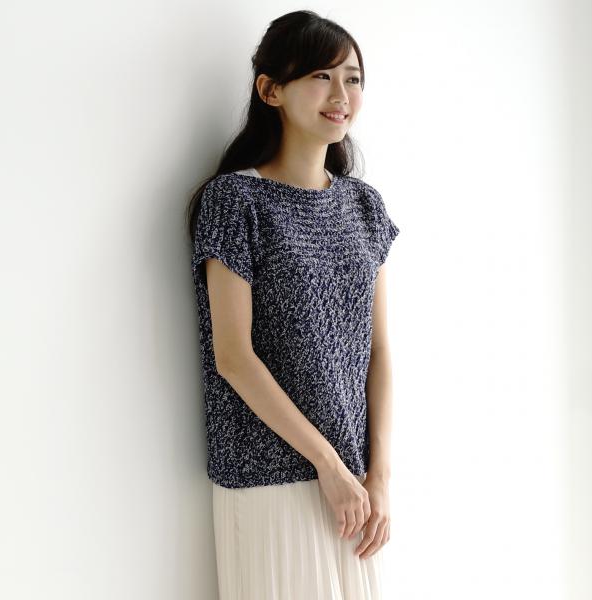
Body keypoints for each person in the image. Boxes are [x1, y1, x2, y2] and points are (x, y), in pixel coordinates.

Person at [186, 10, 401, 599]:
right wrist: (328, 467)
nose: (341, 95)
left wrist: (378, 476)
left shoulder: (364, 206)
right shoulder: (236, 200)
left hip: (353, 486)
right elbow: (234, 357)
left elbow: (379, 351)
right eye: (321, 77)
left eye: (353, 79)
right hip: (269, 477)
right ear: (271, 90)